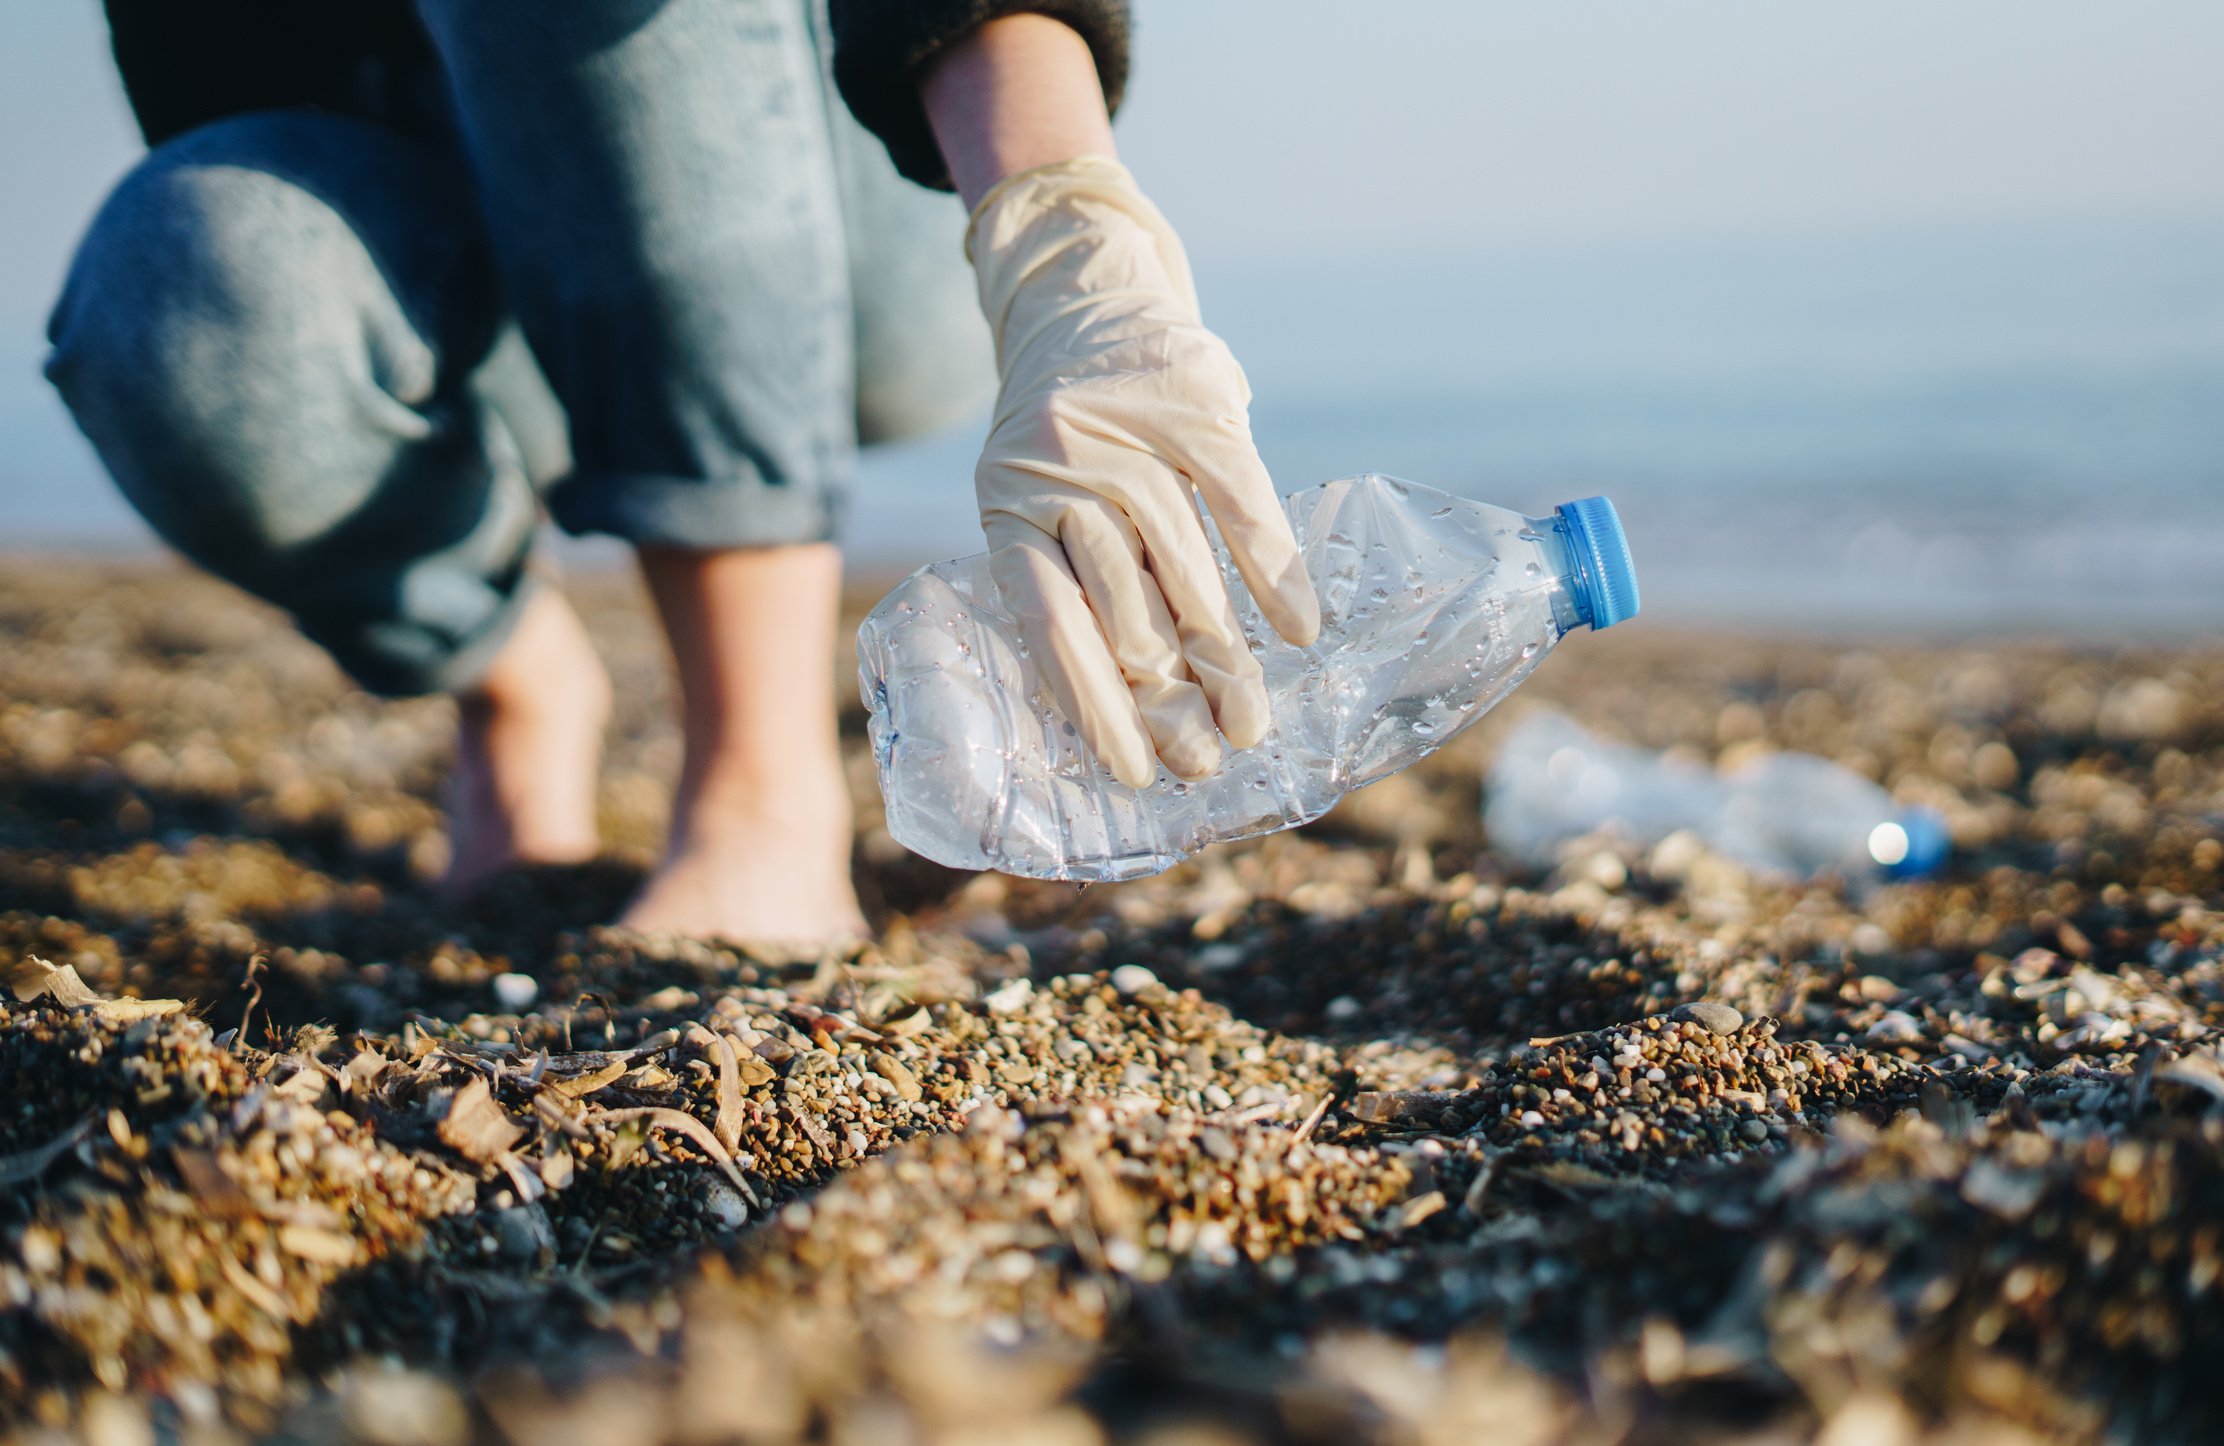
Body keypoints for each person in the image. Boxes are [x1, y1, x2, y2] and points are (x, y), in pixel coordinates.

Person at [47, 0, 1319, 951]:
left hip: (831, 194)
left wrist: (1064, 231)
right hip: (483, 261)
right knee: (179, 294)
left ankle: (760, 774)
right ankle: (513, 673)